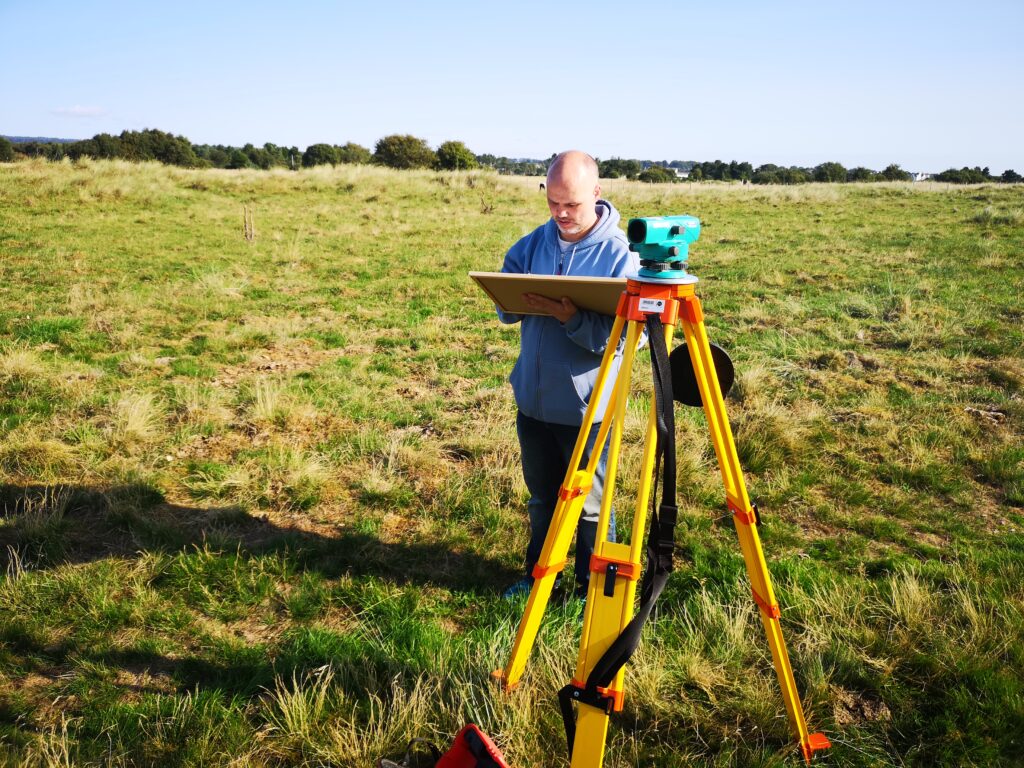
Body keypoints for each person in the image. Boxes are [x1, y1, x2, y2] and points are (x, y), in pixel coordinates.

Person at [496, 151, 641, 599]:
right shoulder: (535, 242)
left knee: (592, 508)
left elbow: (619, 340)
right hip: (534, 404)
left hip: (587, 413)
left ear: (596, 194)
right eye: (553, 201)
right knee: (542, 501)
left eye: (571, 204)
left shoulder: (621, 257)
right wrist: (508, 296)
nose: (560, 213)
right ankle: (539, 578)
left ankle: (590, 589)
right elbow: (507, 301)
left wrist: (570, 317)